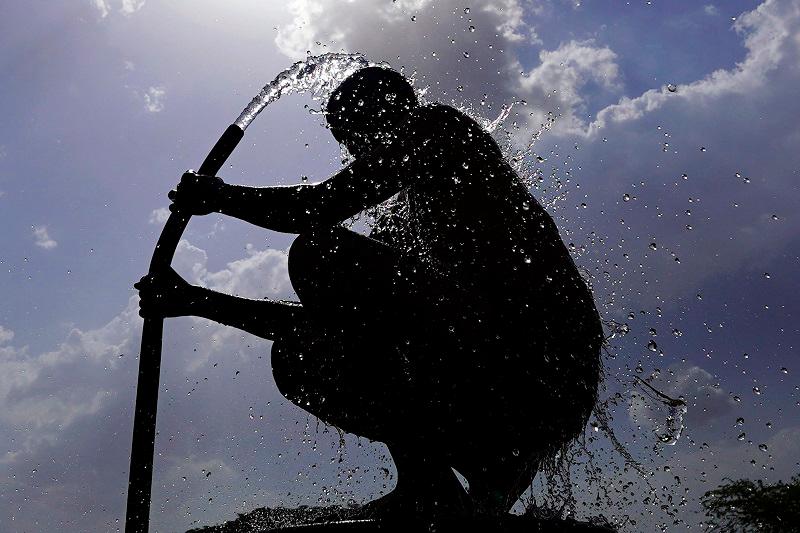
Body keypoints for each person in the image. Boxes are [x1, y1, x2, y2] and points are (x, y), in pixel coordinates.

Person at [136, 67, 603, 519]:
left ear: (384, 112)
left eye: (356, 138)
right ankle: (444, 482)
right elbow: (329, 329)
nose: (358, 155)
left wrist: (221, 197)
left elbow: (316, 208)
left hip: (542, 364)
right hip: (498, 371)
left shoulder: (437, 128)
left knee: (318, 252)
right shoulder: (408, 221)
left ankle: (442, 484)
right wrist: (195, 300)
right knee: (296, 358)